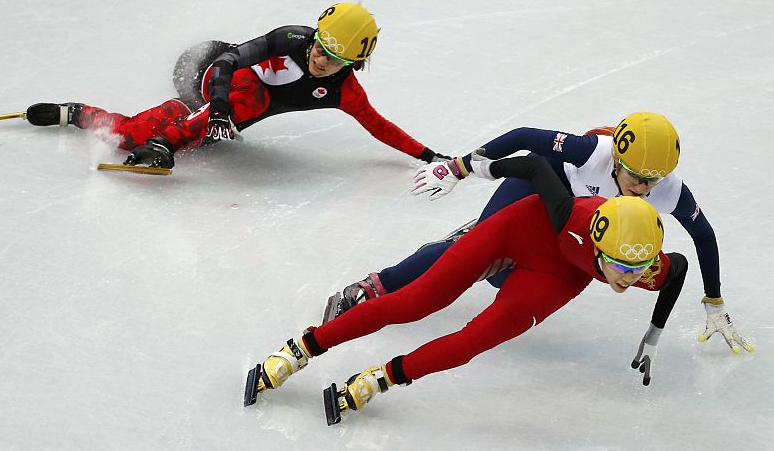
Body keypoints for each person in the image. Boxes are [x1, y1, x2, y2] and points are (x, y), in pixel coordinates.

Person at [245, 152, 689, 425]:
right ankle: (301, 349)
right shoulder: (568, 214)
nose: (627, 279)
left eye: (637, 270)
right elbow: (535, 164)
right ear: (598, 243)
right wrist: (473, 167)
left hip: (557, 277)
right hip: (521, 231)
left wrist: (652, 337)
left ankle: (379, 379)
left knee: (472, 341)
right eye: (617, 266)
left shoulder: (647, 266)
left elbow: (679, 269)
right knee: (414, 303)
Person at [326, 112, 753, 355]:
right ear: (617, 160)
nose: (642, 188)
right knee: (472, 254)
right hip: (539, 192)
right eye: (635, 176)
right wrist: (460, 166)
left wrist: (713, 301)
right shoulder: (593, 153)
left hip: (574, 224)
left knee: (503, 278)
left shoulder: (670, 190)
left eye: (652, 181)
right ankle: (373, 286)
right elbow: (525, 137)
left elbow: (705, 236)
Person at [20, 3, 449, 168]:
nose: (319, 60)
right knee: (251, 96)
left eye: (333, 59)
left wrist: (430, 156)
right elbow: (227, 61)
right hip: (201, 69)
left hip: (218, 115)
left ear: (353, 63)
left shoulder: (345, 92)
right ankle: (170, 141)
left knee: (131, 136)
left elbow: (379, 126)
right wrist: (218, 109)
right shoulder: (291, 38)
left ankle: (74, 112)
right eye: (320, 47)